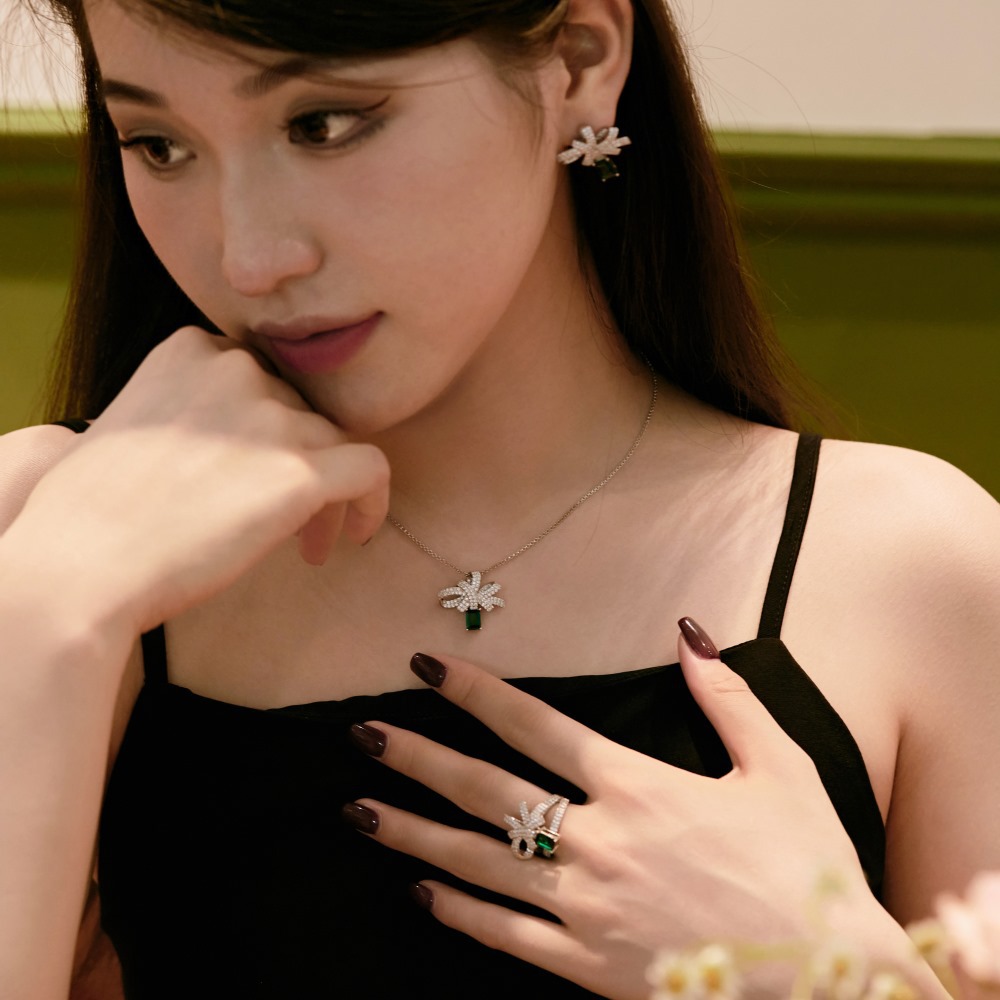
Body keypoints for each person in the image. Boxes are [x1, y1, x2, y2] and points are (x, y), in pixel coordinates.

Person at [1, 0, 997, 997]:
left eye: (324, 124)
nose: (249, 258)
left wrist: (828, 979)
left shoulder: (909, 568)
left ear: (580, 56)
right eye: (159, 145)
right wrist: (48, 612)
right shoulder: (47, 532)